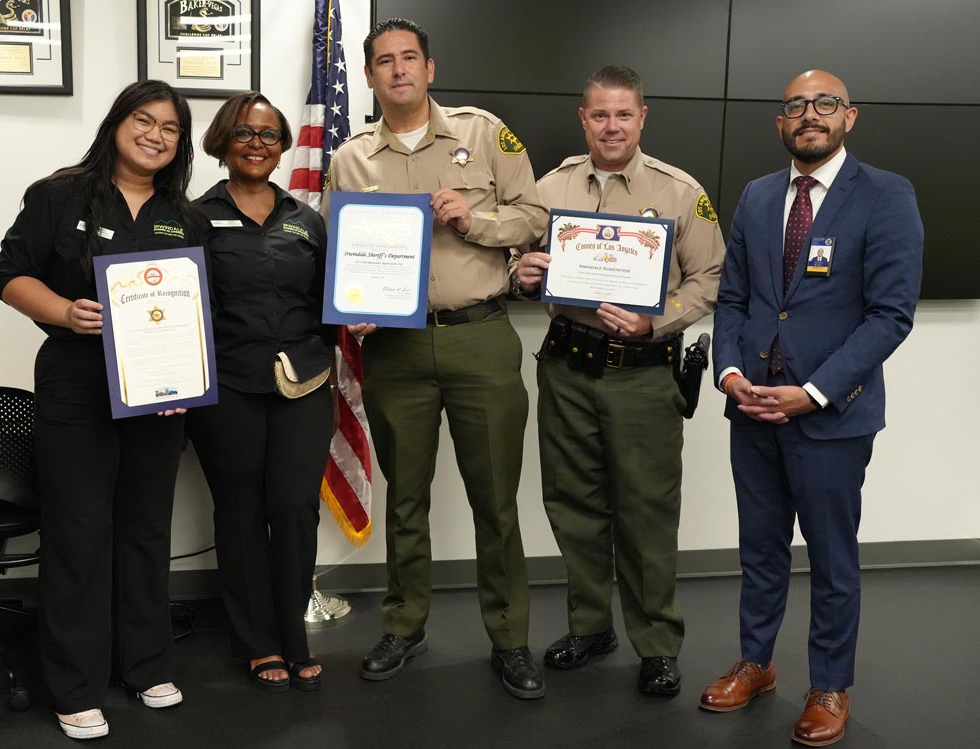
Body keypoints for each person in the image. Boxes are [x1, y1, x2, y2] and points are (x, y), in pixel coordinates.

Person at [322, 17, 548, 700]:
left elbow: (535, 217)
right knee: (406, 497)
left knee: (495, 499)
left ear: (430, 68)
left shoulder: (485, 133)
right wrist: (352, 303)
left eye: (409, 57)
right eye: (384, 61)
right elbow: (339, 251)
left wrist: (474, 221)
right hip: (394, 347)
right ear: (369, 76)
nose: (398, 69)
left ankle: (509, 638)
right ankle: (404, 624)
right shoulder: (350, 158)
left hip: (479, 336)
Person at [701, 70, 922, 747]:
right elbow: (733, 299)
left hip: (830, 417)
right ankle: (757, 662)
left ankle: (829, 685)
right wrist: (730, 374)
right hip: (753, 410)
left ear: (849, 117)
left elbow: (891, 315)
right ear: (781, 123)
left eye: (825, 103)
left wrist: (815, 392)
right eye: (796, 105)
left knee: (831, 558)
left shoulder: (886, 194)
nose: (810, 115)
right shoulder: (758, 195)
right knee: (760, 550)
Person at [0, 80, 202, 740]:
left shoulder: (182, 215)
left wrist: (181, 380)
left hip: (157, 396)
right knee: (78, 534)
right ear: (116, 123)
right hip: (77, 386)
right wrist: (63, 310)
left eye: (170, 127)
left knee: (145, 529)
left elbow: (197, 310)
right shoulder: (59, 194)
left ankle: (145, 664)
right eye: (144, 120)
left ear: (180, 143)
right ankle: (75, 685)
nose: (155, 135)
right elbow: (9, 275)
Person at [513, 65, 724, 696]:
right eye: (600, 115)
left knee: (645, 512)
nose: (612, 126)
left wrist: (658, 319)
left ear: (642, 117)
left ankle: (656, 644)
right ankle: (590, 626)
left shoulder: (680, 192)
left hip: (641, 374)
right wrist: (523, 272)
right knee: (572, 504)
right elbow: (515, 260)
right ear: (583, 119)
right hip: (567, 367)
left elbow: (710, 277)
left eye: (623, 114)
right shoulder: (549, 188)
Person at [186, 92, 336, 693]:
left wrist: (362, 314)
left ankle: (293, 634)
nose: (257, 144)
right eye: (244, 133)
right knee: (241, 511)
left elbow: (329, 302)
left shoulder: (308, 219)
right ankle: (257, 642)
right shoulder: (193, 217)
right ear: (223, 141)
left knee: (295, 507)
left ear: (283, 146)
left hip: (304, 379)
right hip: (227, 383)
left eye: (269, 134)